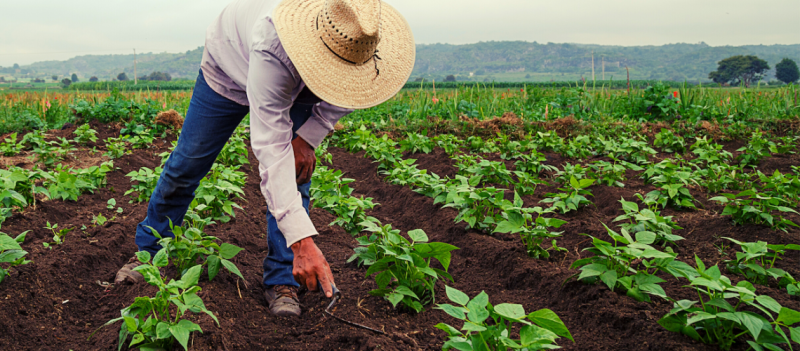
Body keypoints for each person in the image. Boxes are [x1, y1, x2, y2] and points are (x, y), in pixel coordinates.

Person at [113, 0, 414, 318]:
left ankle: (283, 279)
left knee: (298, 173)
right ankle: (148, 253)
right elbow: (272, 153)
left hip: (300, 83)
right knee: (187, 164)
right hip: (230, 68)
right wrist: (302, 241)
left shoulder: (361, 45)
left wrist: (308, 138)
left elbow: (351, 94)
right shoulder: (274, 44)